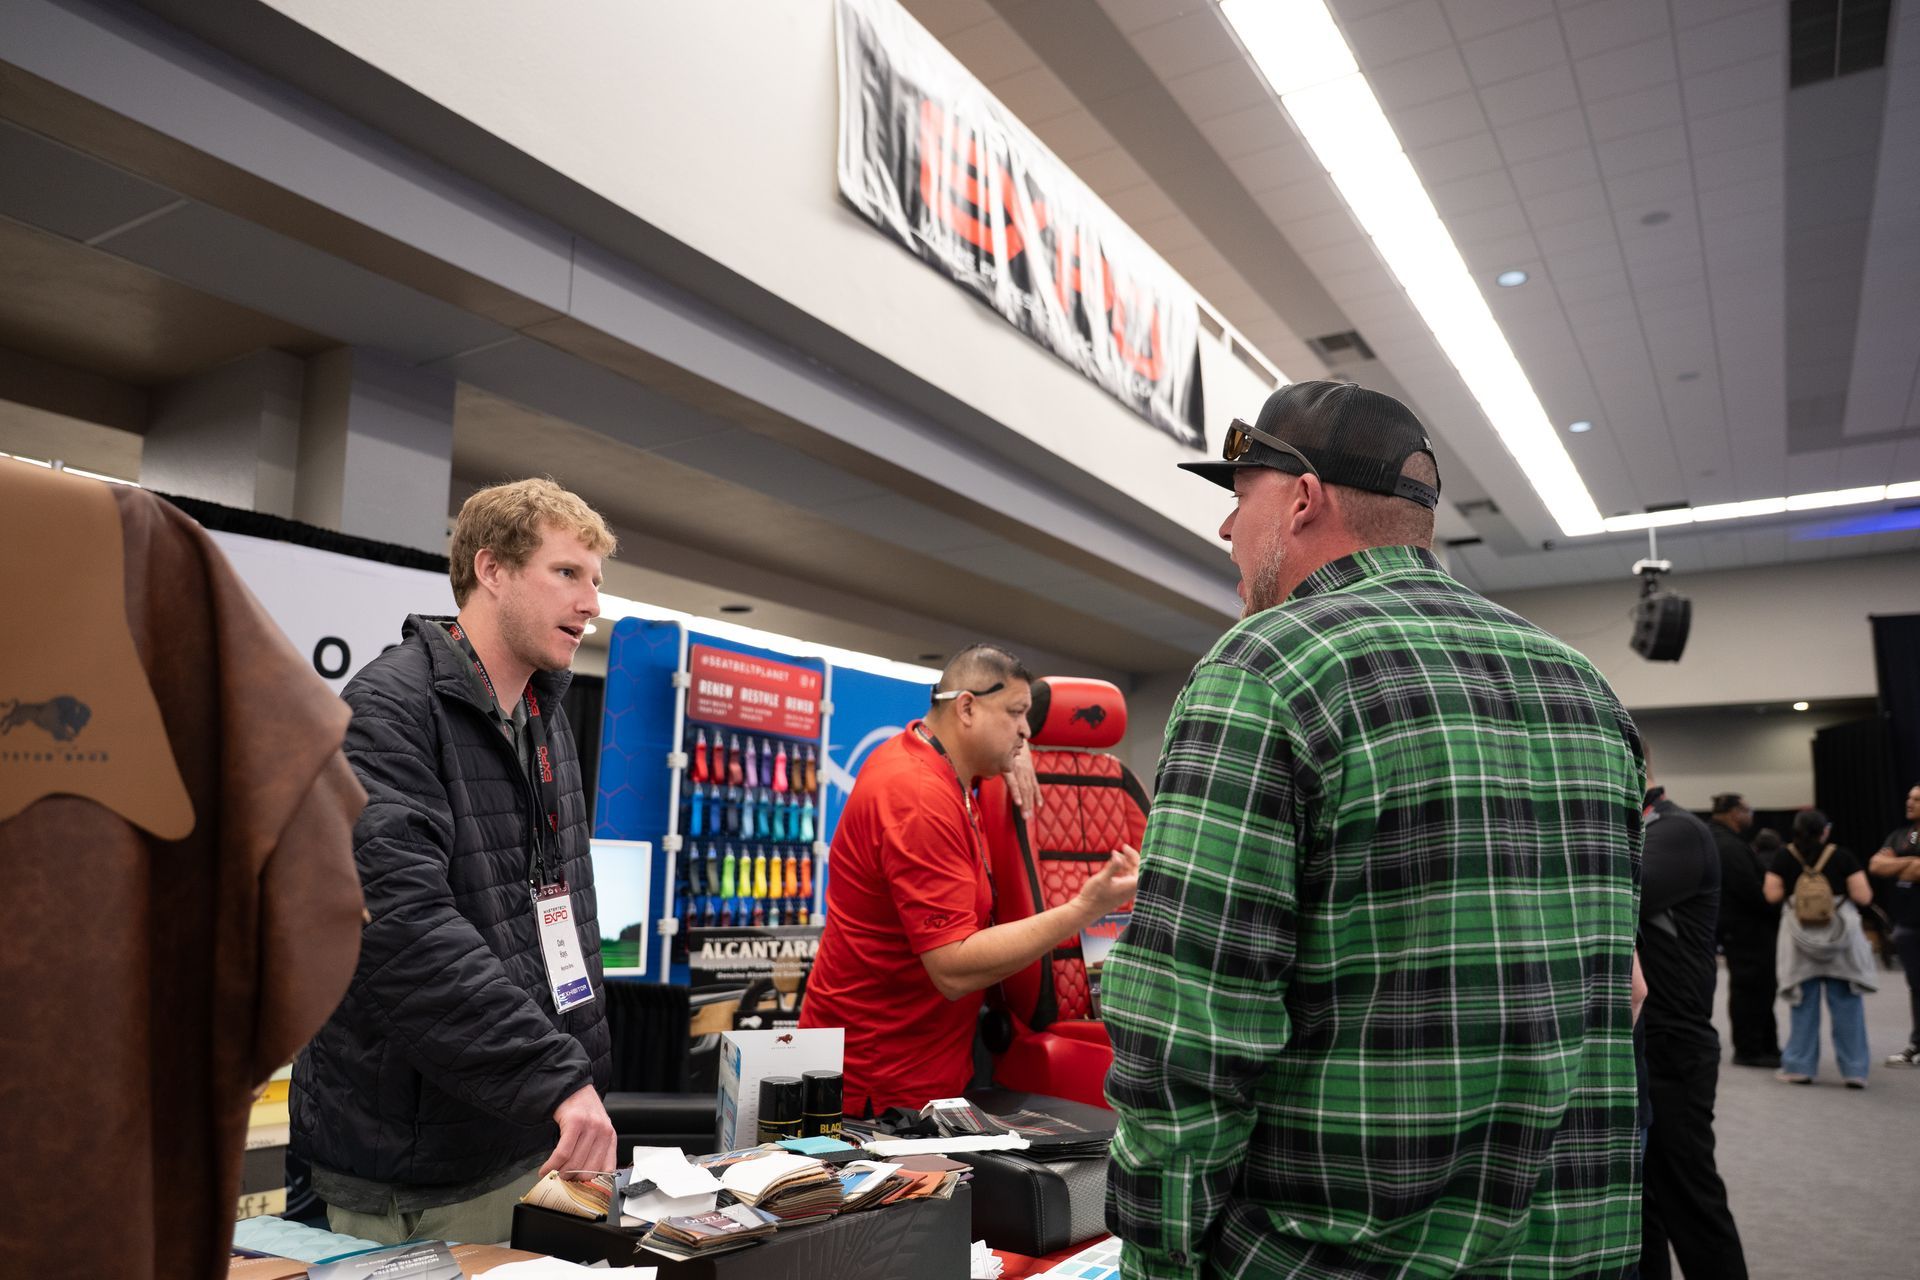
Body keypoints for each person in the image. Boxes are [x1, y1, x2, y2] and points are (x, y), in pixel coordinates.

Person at [1102, 381, 1645, 1279]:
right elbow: (1620, 993)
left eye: (1240, 497)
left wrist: (1156, 1260)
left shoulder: (1266, 669)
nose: (1227, 531)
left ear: (1302, 498)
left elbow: (1187, 1031)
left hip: (1338, 1255)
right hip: (1571, 1248)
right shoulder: (1583, 686)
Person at [291, 479, 621, 1244]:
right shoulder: (390, 707)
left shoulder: (542, 717)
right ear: (493, 571)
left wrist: (578, 1080)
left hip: (527, 1135)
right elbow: (401, 928)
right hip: (417, 1169)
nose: (591, 602)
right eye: (567, 573)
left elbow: (556, 919)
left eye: (596, 581)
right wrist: (557, 1076)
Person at [799, 644, 1138, 1116]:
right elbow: (953, 970)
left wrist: (1016, 752)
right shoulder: (917, 797)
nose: (1026, 730)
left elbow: (980, 749)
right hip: (873, 1086)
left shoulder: (945, 766)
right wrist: (1084, 910)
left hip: (931, 1069)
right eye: (1017, 713)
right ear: (967, 707)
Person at [1639, 772, 1747, 1278]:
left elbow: (1617, 895)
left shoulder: (1675, 831)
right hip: (1641, 1043)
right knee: (1640, 1207)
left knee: (1690, 1200)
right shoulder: (1642, 829)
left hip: (1673, 1043)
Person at [1763, 809, 1876, 1087]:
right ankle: (1855, 1070)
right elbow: (1863, 896)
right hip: (1841, 941)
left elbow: (1772, 894)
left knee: (1803, 1003)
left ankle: (1799, 1067)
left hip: (1799, 940)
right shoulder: (1843, 856)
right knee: (1847, 1004)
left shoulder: (1783, 857)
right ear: (1825, 830)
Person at [1708, 793, 1779, 1067]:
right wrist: (1775, 905)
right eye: (1747, 810)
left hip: (1740, 928)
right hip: (1746, 930)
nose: (1751, 815)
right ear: (1733, 812)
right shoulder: (1727, 845)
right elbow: (1750, 890)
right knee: (1751, 989)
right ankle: (1750, 1049)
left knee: (1755, 988)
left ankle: (1764, 1046)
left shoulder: (1723, 839)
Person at [1867, 783, 1920, 1065]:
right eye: (1909, 797)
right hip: (1908, 925)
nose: (1909, 802)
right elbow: (1876, 865)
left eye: (1917, 799)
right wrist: (1910, 862)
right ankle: (1917, 1044)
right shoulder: (1902, 835)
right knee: (1916, 986)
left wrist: (1897, 864)